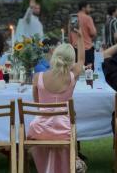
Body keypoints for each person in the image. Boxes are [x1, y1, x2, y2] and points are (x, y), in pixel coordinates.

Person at [27, 29, 85, 173]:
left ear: (54, 56)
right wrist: (81, 38)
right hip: (64, 129)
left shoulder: (37, 77)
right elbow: (82, 60)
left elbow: (38, 104)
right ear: (71, 61)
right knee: (71, 124)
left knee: (39, 130)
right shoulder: (72, 76)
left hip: (40, 129)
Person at [69, 1, 97, 68]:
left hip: (75, 49)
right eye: (88, 7)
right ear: (83, 8)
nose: (90, 9)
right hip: (87, 49)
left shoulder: (73, 18)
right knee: (89, 73)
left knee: (76, 71)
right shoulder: (87, 18)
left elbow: (70, 35)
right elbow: (93, 33)